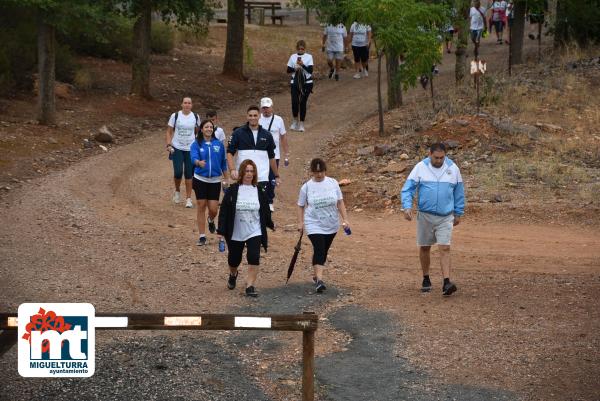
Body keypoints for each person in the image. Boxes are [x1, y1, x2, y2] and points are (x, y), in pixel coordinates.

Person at [401, 143, 465, 296]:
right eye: (436, 158)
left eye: (442, 158)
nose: (439, 161)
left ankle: (446, 282)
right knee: (425, 247)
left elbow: (459, 191)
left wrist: (458, 212)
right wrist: (407, 206)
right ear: (429, 154)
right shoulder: (420, 167)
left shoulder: (453, 168)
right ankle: (426, 278)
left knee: (445, 247)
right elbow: (408, 188)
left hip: (446, 216)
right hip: (425, 216)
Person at [217, 159, 274, 297]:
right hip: (236, 230)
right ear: (242, 172)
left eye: (252, 171)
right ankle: (233, 274)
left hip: (254, 230)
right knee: (234, 259)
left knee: (254, 257)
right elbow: (224, 211)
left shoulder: (259, 191)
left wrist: (270, 223)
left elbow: (265, 210)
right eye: (247, 171)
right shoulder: (233, 190)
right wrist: (221, 231)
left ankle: (250, 286)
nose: (249, 174)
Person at [297, 158, 350, 293]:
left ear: (325, 170)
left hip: (331, 223)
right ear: (312, 172)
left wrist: (345, 219)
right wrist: (301, 222)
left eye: (321, 172)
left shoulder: (333, 183)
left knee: (324, 250)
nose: (319, 175)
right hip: (314, 223)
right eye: (316, 172)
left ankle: (316, 274)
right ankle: (320, 280)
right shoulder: (307, 187)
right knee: (319, 247)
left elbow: (340, 202)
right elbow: (301, 205)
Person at [190, 119, 229, 246]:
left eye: (211, 127)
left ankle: (211, 220)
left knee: (213, 209)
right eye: (206, 127)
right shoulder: (196, 143)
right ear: (201, 129)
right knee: (201, 205)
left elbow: (223, 162)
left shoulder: (218, 144)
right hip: (200, 178)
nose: (209, 129)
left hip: (215, 180)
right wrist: (198, 163)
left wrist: (226, 178)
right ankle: (202, 236)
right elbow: (193, 157)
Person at [227, 106, 281, 194]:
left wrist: (276, 175)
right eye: (250, 115)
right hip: (243, 176)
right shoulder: (238, 133)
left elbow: (272, 157)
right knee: (243, 205)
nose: (253, 118)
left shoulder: (267, 135)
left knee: (261, 205)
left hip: (262, 178)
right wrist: (232, 170)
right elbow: (229, 152)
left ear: (259, 116)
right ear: (247, 116)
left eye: (255, 115)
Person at [166, 97, 199, 208]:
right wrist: (169, 144)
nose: (187, 105)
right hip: (177, 147)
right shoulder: (175, 116)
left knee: (189, 174)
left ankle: (188, 199)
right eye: (185, 103)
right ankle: (177, 191)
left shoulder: (195, 117)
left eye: (189, 103)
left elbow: (197, 132)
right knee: (178, 172)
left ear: (192, 105)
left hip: (190, 149)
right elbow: (169, 131)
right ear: (181, 104)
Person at [259, 97, 289, 212]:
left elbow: (283, 136)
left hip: (274, 155)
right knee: (261, 177)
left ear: (272, 107)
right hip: (260, 155)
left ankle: (270, 201)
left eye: (268, 108)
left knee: (272, 177)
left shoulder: (278, 120)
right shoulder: (257, 119)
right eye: (264, 108)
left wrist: (287, 152)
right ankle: (261, 200)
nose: (266, 110)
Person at [286, 40, 314, 132]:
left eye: (302, 49)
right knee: (294, 102)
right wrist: (295, 68)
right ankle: (295, 121)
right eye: (299, 48)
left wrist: (303, 65)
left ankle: (301, 123)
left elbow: (310, 71)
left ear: (305, 49)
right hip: (295, 82)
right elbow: (288, 70)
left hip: (307, 83)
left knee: (302, 102)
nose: (300, 50)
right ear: (296, 48)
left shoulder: (309, 57)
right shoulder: (293, 57)